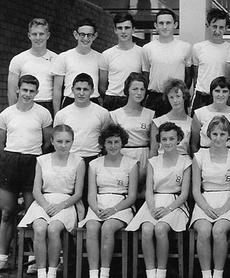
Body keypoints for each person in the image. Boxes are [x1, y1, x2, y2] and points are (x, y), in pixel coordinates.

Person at [17, 125, 84, 278]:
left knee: (53, 229)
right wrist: (46, 206)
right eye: (59, 141)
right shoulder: (42, 160)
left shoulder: (78, 162)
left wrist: (60, 206)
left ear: (73, 142)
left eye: (68, 141)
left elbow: (78, 193)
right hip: (43, 202)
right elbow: (36, 190)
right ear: (52, 141)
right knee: (40, 229)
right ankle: (41, 272)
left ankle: (52, 271)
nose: (63, 145)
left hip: (66, 203)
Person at [125, 122, 191, 278]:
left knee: (161, 229)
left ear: (179, 139)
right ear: (159, 141)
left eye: (171, 139)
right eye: (164, 139)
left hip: (175, 204)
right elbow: (149, 190)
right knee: (147, 230)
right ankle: (150, 273)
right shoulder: (153, 161)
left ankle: (161, 272)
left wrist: (167, 209)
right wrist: (152, 208)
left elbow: (184, 194)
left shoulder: (186, 161)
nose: (168, 142)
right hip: (153, 202)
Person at [0, 75, 52, 270]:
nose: (27, 94)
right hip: (10, 162)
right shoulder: (7, 113)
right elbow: (1, 142)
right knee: (7, 213)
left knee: (32, 214)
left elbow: (47, 142)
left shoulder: (43, 114)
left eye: (32, 91)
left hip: (33, 162)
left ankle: (33, 259)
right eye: (24, 90)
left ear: (36, 93)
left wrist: (34, 158)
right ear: (18, 90)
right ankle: (3, 257)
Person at [78, 124, 138, 278]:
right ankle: (93, 273)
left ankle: (104, 272)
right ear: (103, 144)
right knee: (91, 228)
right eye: (109, 142)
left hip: (121, 206)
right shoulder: (94, 164)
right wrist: (96, 209)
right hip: (98, 205)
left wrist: (114, 210)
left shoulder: (131, 164)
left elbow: (132, 196)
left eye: (116, 142)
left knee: (108, 228)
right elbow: (91, 194)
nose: (113, 146)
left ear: (122, 142)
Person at [189, 116, 230, 278]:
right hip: (205, 201)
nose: (218, 138)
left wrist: (223, 209)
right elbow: (196, 190)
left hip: (228, 202)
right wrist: (206, 208)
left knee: (219, 231)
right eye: (214, 134)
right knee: (204, 231)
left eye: (222, 134)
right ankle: (206, 275)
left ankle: (218, 274)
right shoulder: (199, 156)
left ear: (229, 136)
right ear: (209, 135)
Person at [54, 73, 111, 206]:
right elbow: (58, 139)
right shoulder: (62, 114)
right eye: (78, 89)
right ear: (72, 89)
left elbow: (105, 138)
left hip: (93, 160)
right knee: (69, 199)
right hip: (70, 160)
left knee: (89, 199)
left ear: (92, 91)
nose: (81, 93)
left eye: (85, 89)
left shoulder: (102, 113)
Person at [142, 9, 192, 117]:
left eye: (168, 23)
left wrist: (180, 93)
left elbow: (189, 76)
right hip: (154, 98)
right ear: (156, 25)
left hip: (176, 98)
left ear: (175, 24)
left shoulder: (185, 47)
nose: (165, 26)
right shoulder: (147, 48)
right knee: (153, 132)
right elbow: (145, 76)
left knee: (177, 130)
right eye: (161, 23)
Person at [110, 72, 155, 190]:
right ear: (127, 90)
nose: (139, 92)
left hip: (144, 156)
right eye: (135, 89)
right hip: (123, 156)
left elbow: (153, 144)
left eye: (142, 89)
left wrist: (149, 165)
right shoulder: (115, 115)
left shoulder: (151, 114)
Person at [52, 18, 106, 112]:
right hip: (70, 101)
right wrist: (57, 115)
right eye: (82, 34)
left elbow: (102, 87)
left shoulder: (100, 58)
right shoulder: (63, 57)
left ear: (95, 36)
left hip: (93, 102)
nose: (85, 38)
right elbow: (57, 90)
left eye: (89, 35)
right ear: (76, 35)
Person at [7, 18, 57, 116]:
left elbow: (58, 90)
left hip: (48, 106)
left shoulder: (57, 59)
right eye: (34, 34)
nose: (38, 38)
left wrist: (56, 113)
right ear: (29, 36)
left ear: (48, 35)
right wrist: (14, 114)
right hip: (25, 105)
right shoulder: (18, 59)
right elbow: (12, 91)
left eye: (41, 34)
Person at [99, 13, 145, 111]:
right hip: (112, 100)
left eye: (127, 28)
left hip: (134, 100)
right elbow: (102, 86)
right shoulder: (106, 54)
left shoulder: (142, 53)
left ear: (133, 29)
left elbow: (146, 80)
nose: (123, 31)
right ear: (115, 30)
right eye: (120, 28)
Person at [191, 9, 230, 113]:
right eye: (214, 26)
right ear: (208, 25)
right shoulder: (198, 48)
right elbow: (195, 75)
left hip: (222, 98)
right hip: (201, 97)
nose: (217, 31)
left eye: (221, 27)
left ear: (226, 28)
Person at [191, 77, 230, 151]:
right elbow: (194, 144)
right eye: (217, 91)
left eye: (224, 91)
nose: (220, 94)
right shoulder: (199, 113)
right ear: (212, 92)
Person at [150, 79, 193, 156]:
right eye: (171, 97)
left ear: (184, 96)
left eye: (178, 96)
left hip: (184, 163)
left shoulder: (192, 122)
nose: (175, 100)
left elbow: (192, 149)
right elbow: (153, 152)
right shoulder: (158, 122)